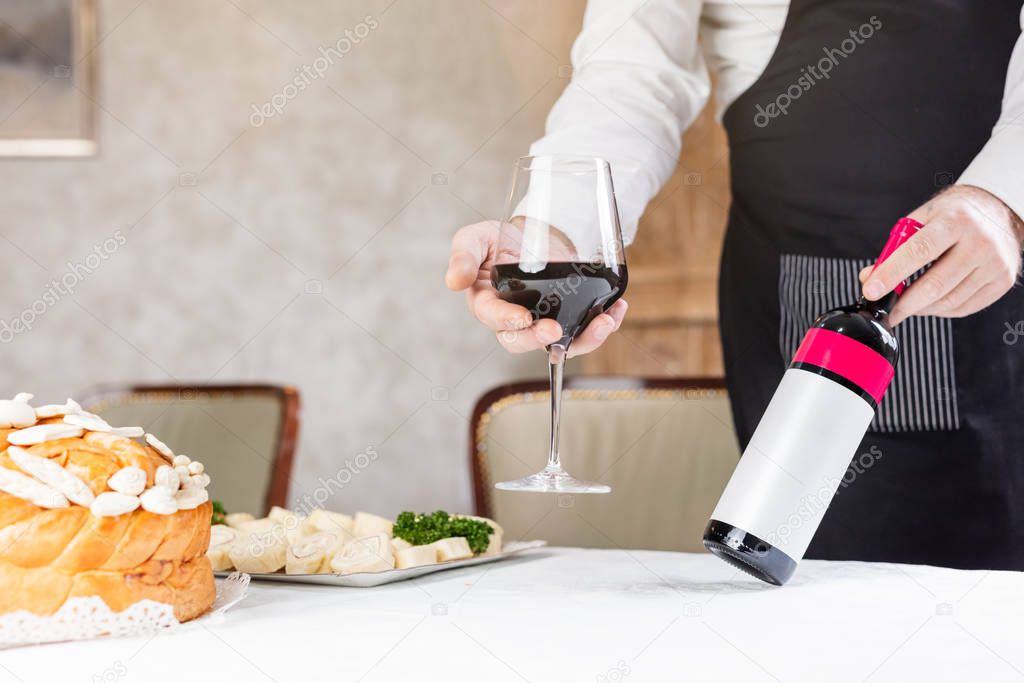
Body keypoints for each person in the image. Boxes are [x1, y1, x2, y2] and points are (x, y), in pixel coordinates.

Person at [445, 0, 1024, 570]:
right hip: (834, 303)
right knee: (853, 609)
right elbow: (632, 76)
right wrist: (556, 234)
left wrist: (1003, 198)